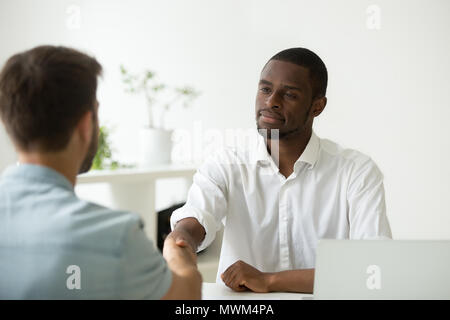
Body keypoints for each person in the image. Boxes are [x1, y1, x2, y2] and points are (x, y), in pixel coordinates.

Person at [168, 47, 392, 294]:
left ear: (317, 106)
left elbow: (373, 267)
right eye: (265, 89)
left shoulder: (356, 171)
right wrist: (182, 241)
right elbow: (195, 221)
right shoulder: (226, 163)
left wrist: (269, 280)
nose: (271, 102)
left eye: (289, 95)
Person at [0, 45, 201, 299]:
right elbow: (187, 297)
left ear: (9, 122)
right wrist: (176, 256)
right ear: (86, 125)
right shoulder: (115, 236)